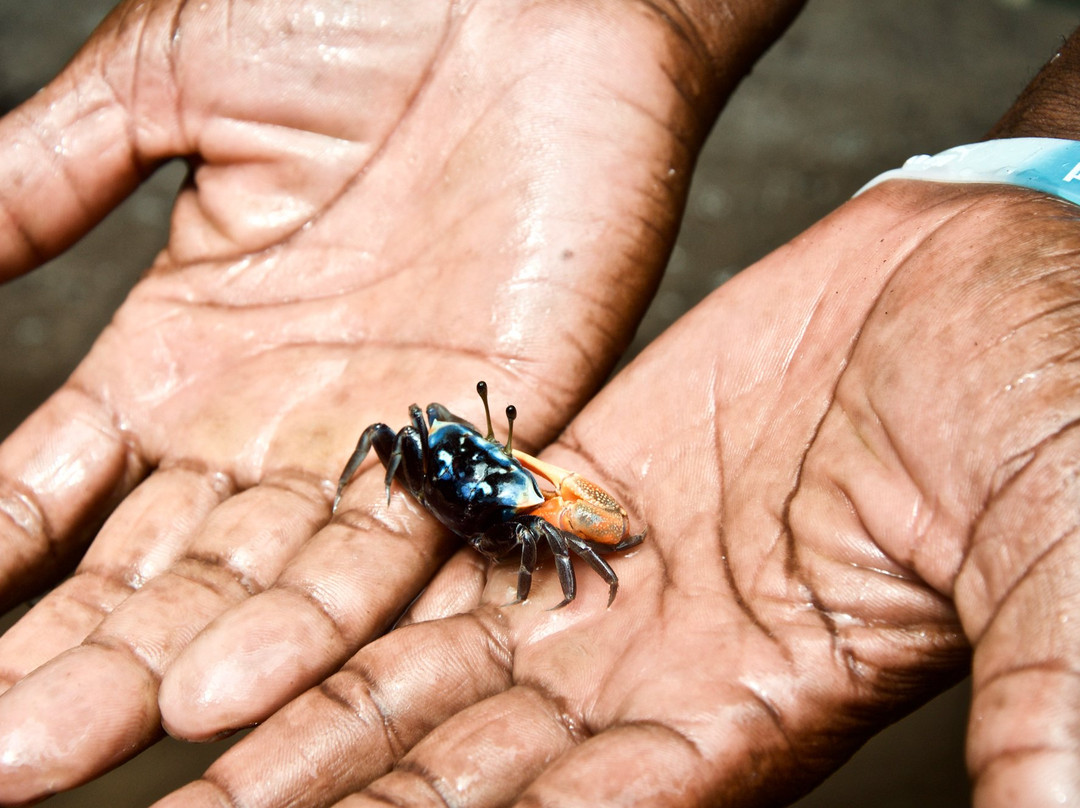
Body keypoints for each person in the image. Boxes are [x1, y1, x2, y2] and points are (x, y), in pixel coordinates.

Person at [0, 0, 1077, 805]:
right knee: (419, 443)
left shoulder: (530, 507)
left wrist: (1045, 189)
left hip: (508, 501)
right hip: (480, 488)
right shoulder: (433, 451)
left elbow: (563, 537)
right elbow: (406, 435)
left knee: (534, 524)